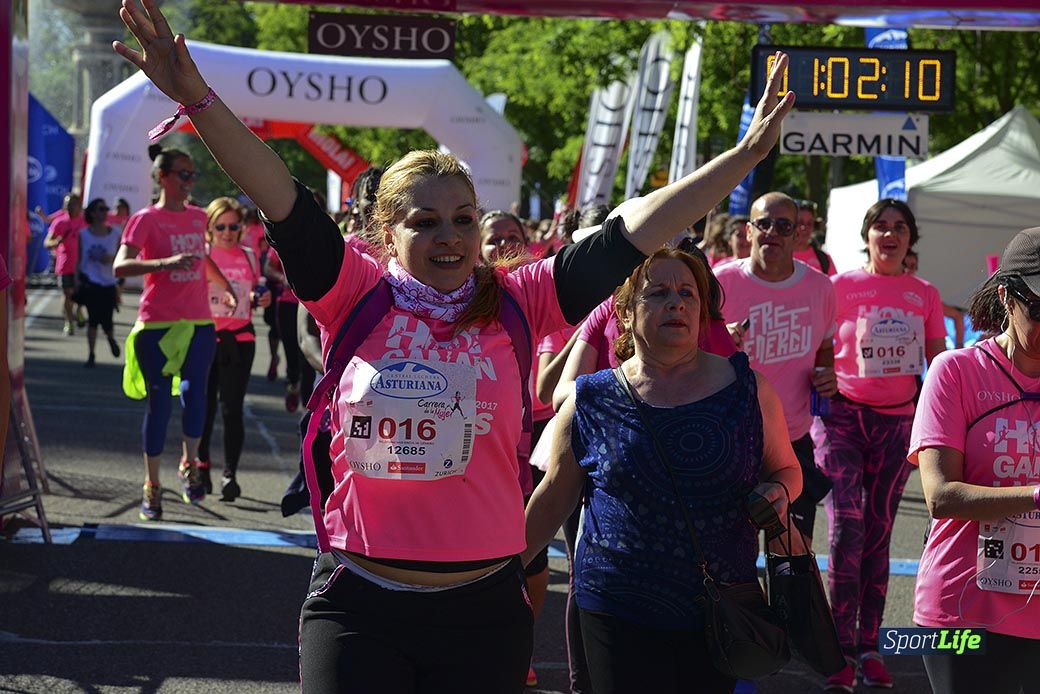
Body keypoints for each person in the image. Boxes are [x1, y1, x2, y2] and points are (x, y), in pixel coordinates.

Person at [112, 3, 793, 688]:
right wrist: (196, 100)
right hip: (358, 604)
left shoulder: (523, 300)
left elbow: (636, 230)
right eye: (426, 220)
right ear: (388, 233)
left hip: (482, 610)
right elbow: (275, 189)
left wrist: (744, 157)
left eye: (464, 218)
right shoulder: (352, 289)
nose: (451, 236)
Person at [523, 248, 802, 694]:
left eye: (688, 293)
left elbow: (788, 469)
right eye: (658, 293)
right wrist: (499, 578)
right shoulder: (589, 399)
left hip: (719, 606)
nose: (677, 303)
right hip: (616, 606)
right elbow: (554, 496)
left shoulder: (748, 389)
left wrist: (778, 492)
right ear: (626, 313)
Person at [818, 198, 947, 693]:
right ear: (867, 235)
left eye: (899, 228)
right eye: (880, 227)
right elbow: (819, 346)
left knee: (877, 534)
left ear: (910, 239)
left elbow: (939, 367)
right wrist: (822, 372)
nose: (889, 235)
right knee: (846, 528)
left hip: (897, 425)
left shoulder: (924, 293)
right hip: (844, 420)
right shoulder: (840, 286)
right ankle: (838, 650)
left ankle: (868, 645)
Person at [908, 227, 1040, 694]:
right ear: (1006, 296)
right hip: (962, 610)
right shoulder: (956, 371)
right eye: (1038, 308)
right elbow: (940, 495)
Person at [113, 143, 236, 521]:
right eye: (183, 174)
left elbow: (203, 259)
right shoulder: (145, 219)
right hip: (158, 324)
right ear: (163, 177)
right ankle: (152, 486)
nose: (190, 181)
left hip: (198, 321)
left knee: (194, 395)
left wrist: (226, 287)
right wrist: (165, 263)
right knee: (160, 404)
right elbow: (121, 266)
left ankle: (189, 463)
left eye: (192, 174)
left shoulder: (200, 217)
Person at [717, 192, 837, 543]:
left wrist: (825, 378)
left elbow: (825, 347)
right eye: (764, 223)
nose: (772, 232)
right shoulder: (720, 282)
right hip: (729, 435)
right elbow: (689, 353)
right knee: (728, 552)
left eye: (783, 225)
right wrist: (719, 339)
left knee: (792, 555)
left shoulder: (820, 287)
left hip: (791, 439)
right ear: (749, 230)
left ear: (798, 233)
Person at [197, 197, 272, 501]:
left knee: (232, 409)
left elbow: (256, 290)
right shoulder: (202, 255)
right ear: (209, 228)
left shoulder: (250, 256)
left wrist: (260, 297)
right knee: (204, 408)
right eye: (221, 226)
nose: (227, 232)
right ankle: (201, 466)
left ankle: (230, 473)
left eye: (233, 226)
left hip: (240, 339)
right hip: (205, 339)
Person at [76, 198, 122, 367]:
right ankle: (91, 354)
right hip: (91, 281)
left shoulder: (115, 234)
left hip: (109, 282)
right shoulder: (84, 234)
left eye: (106, 209)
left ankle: (110, 338)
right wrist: (77, 281)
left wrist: (112, 259)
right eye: (101, 209)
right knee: (93, 319)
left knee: (107, 320)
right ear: (93, 213)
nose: (105, 212)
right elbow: (79, 259)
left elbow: (123, 257)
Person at [904, 249, 967, 349]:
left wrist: (959, 345)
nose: (907, 270)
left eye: (912, 266)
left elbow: (957, 315)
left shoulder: (923, 295)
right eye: (904, 266)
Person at [44, 192, 84, 335]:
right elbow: (47, 242)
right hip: (65, 265)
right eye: (66, 204)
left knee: (81, 294)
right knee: (67, 294)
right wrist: (56, 242)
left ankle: (79, 310)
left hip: (82, 266)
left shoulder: (85, 221)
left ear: (79, 205)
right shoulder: (59, 222)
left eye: (72, 204)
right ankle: (69, 322)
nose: (69, 207)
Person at [793, 199, 836, 276]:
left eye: (809, 224)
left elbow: (833, 286)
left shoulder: (823, 259)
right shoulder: (779, 257)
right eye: (800, 222)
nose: (804, 228)